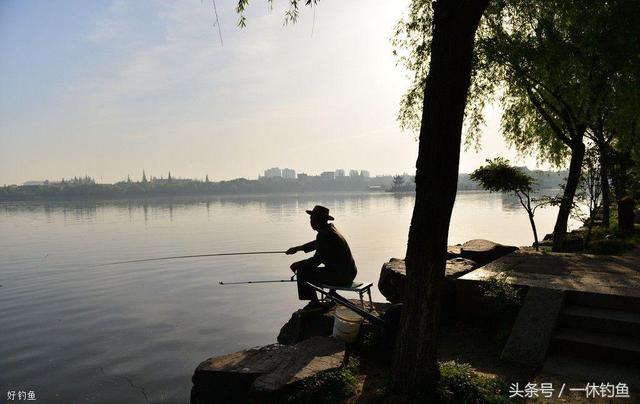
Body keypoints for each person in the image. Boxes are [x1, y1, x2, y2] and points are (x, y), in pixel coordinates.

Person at [286, 205, 357, 308]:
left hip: (342, 276)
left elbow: (316, 261)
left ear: (318, 220)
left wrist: (297, 264)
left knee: (303, 271)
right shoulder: (330, 230)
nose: (310, 222)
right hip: (350, 272)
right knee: (307, 268)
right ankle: (331, 294)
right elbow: (317, 244)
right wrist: (297, 249)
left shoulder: (325, 235)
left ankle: (315, 304)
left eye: (312, 219)